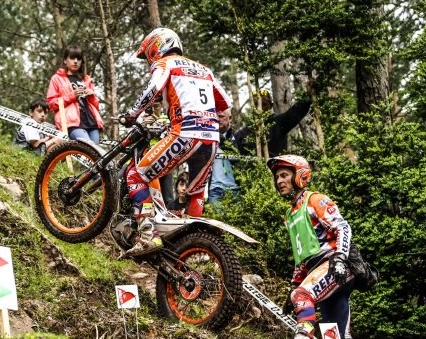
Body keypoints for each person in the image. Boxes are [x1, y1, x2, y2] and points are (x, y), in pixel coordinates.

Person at [267, 154, 384, 339]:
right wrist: (294, 286)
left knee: (303, 296)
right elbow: (302, 255)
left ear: (300, 176)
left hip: (335, 266)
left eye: (284, 175)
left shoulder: (315, 200)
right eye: (277, 177)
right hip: (322, 274)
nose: (279, 181)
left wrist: (339, 258)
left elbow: (343, 227)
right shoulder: (291, 214)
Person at [120, 27, 232, 256]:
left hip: (185, 134)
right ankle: (191, 248)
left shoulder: (166, 63)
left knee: (135, 175)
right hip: (211, 139)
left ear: (156, 47)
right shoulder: (204, 70)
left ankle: (148, 234)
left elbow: (152, 89)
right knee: (196, 193)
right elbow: (225, 104)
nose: (148, 61)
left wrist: (132, 114)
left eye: (148, 55)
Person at [46, 44, 103, 144]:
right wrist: (72, 96)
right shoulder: (57, 79)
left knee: (95, 152)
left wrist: (92, 96)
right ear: (65, 60)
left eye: (78, 59)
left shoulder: (86, 80)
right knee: (88, 147)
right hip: (72, 124)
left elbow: (96, 107)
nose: (76, 61)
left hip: (92, 123)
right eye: (72, 58)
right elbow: (51, 104)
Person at [233, 91, 311, 157]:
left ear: (271, 105)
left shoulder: (279, 122)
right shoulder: (242, 133)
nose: (260, 108)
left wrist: (309, 94)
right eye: (256, 104)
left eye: (264, 104)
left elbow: (296, 112)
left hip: (275, 168)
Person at [207, 108, 240, 206]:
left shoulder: (237, 136)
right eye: (215, 116)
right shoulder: (209, 137)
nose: (218, 119)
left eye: (221, 116)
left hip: (235, 188)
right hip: (215, 189)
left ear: (230, 118)